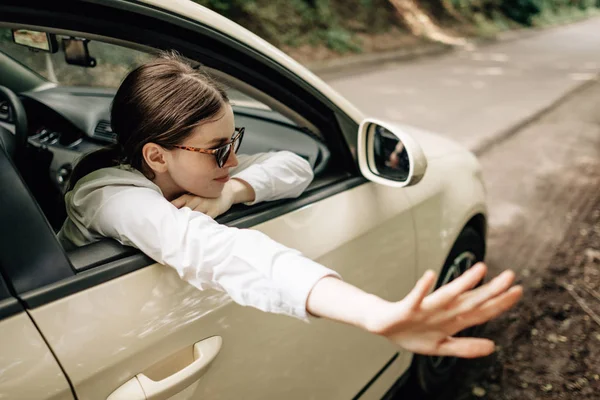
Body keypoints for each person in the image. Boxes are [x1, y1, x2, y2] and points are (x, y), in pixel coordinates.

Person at [58, 52, 523, 359]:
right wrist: (371, 313)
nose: (234, 159)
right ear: (156, 155)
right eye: (218, 150)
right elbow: (215, 251)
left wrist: (231, 191)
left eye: (234, 141)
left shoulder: (183, 171)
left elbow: (292, 165)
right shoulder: (111, 196)